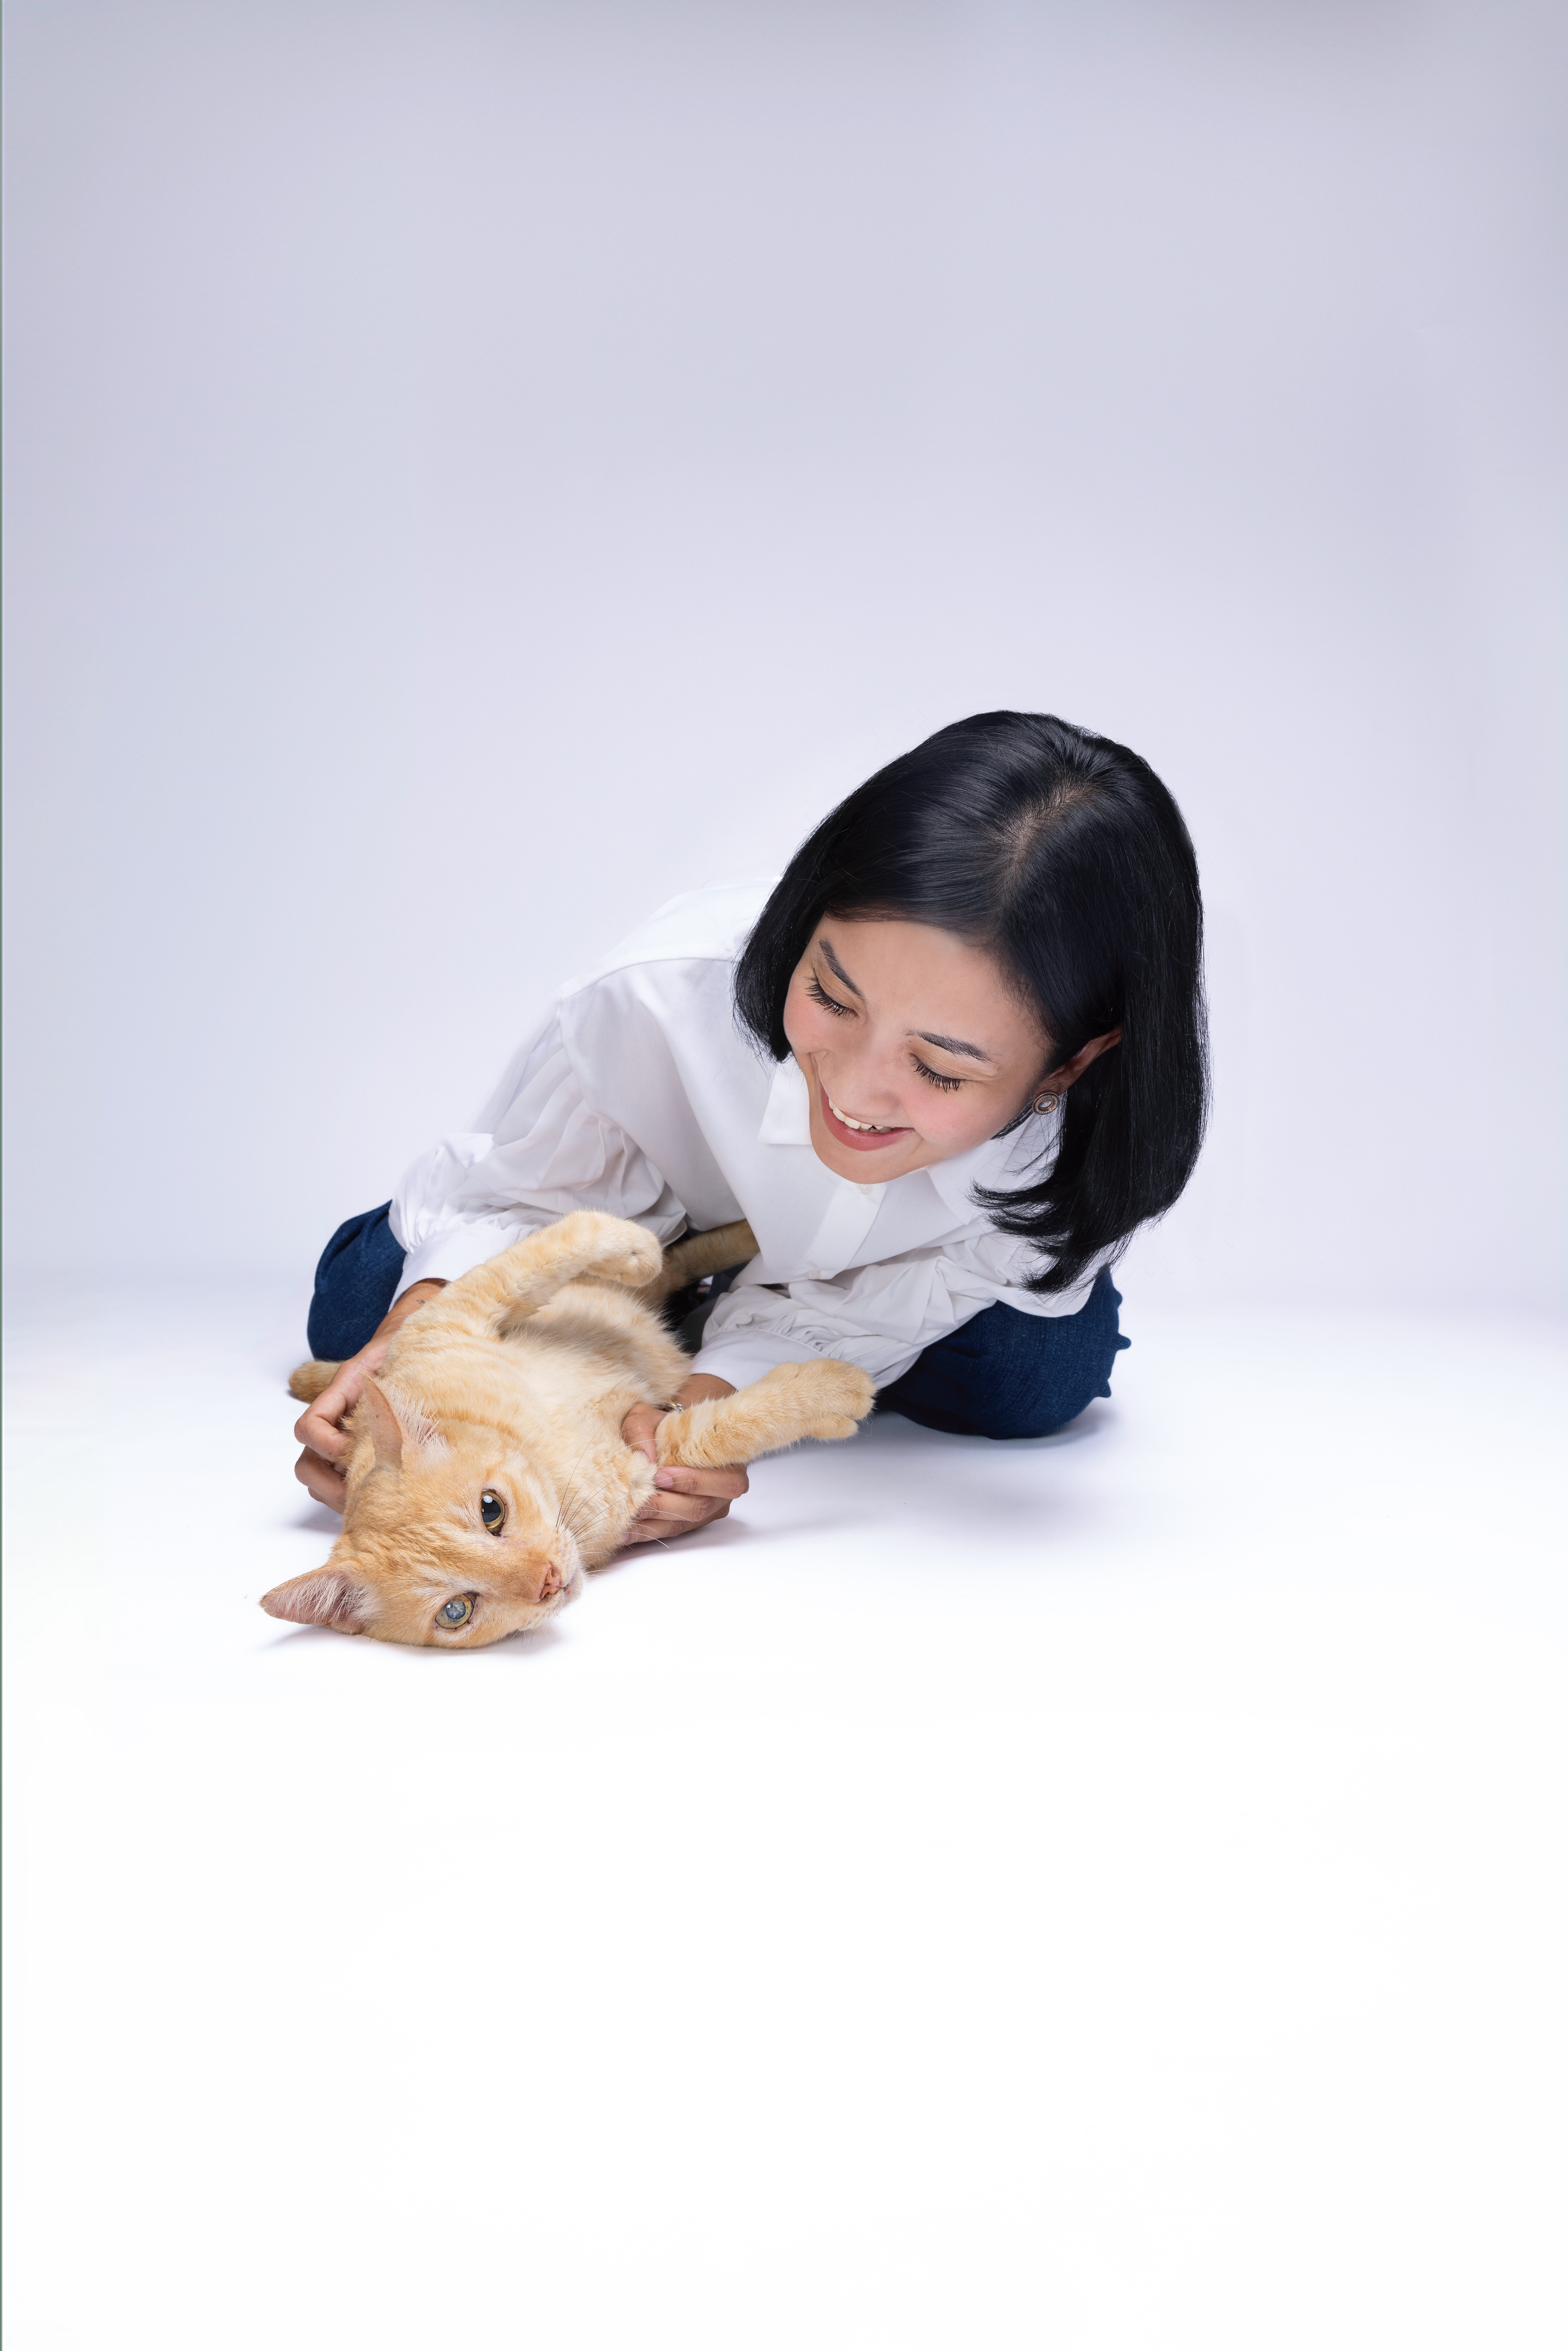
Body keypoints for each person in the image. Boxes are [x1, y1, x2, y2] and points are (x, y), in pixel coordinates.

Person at [294, 710, 1208, 1546]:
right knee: (362, 1302)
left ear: (1071, 1063)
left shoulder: (1085, 1142)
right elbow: (536, 1196)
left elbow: (909, 1294)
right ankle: (667, 1299)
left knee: (1037, 1370)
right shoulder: (661, 992)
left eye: (938, 1067)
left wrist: (701, 1413)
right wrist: (430, 1328)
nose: (853, 1088)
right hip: (620, 1215)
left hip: (883, 1276)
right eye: (831, 996)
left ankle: (681, 1321)